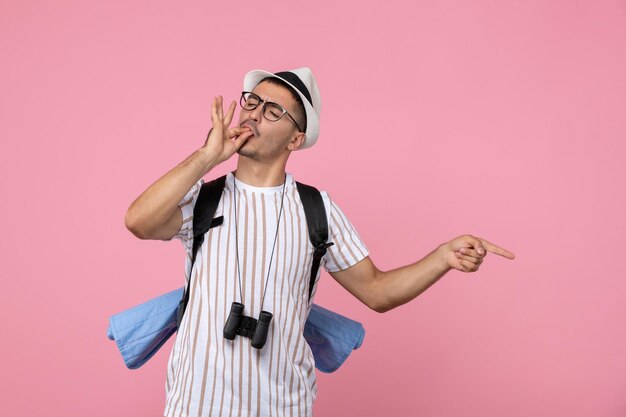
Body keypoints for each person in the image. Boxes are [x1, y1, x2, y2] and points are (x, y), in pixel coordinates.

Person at [124, 67, 515, 417]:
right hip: (196, 405)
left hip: (282, 407)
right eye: (253, 101)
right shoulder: (203, 197)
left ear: (296, 139)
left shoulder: (318, 210)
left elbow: (378, 292)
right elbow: (138, 221)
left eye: (273, 110)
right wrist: (207, 157)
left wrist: (442, 258)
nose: (255, 113)